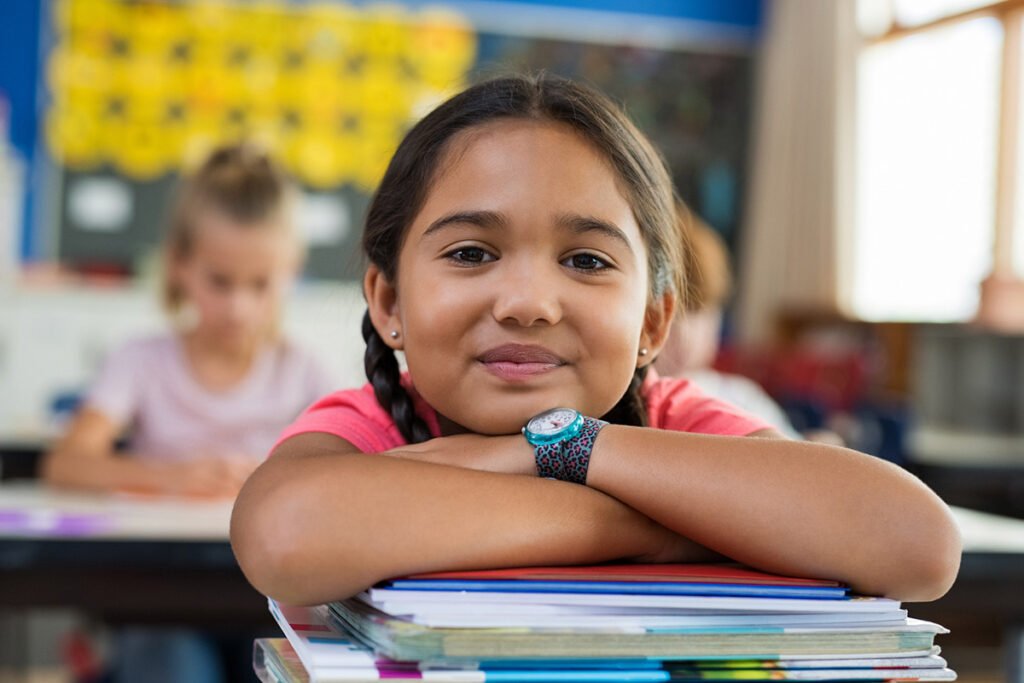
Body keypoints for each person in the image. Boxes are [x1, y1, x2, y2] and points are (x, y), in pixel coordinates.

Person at [231, 74, 960, 609]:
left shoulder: (676, 418)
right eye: (471, 253)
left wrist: (568, 446)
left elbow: (918, 543)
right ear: (389, 300)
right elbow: (285, 532)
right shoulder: (372, 427)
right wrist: (666, 526)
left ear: (652, 323)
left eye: (586, 261)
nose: (526, 303)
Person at [43, 143, 333, 498]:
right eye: (219, 282)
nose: (238, 308)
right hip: (160, 551)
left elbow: (355, 470)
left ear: (291, 272)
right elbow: (65, 464)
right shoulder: (140, 360)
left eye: (260, 284)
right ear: (180, 264)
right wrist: (169, 477)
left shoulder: (303, 371)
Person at [654, 213, 817, 442]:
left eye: (697, 311)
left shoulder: (739, 396)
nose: (684, 335)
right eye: (670, 315)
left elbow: (796, 455)